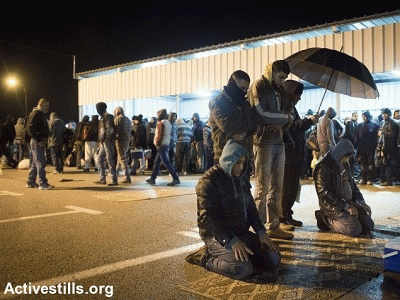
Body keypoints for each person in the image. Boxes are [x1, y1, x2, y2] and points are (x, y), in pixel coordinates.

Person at [186, 140, 281, 280]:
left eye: (243, 163)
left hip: (240, 233)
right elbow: (207, 218)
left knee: (273, 259)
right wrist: (230, 240)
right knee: (242, 269)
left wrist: (261, 232)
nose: (241, 167)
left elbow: (250, 208)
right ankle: (205, 257)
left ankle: (237, 254)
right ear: (228, 160)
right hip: (217, 236)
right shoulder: (209, 181)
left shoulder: (241, 178)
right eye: (237, 163)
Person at [247, 60, 294, 240]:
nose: (282, 81)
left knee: (277, 187)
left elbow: (287, 115)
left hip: (278, 142)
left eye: (285, 78)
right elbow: (261, 114)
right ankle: (260, 231)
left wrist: (283, 120)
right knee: (262, 189)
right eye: (280, 77)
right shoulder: (258, 85)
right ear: (272, 72)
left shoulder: (279, 90)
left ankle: (274, 226)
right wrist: (284, 119)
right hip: (263, 143)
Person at [314, 139, 374, 237]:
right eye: (347, 157)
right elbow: (324, 192)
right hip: (335, 207)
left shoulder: (344, 164)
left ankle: (350, 217)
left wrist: (362, 202)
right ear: (341, 154)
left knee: (369, 226)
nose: (348, 159)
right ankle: (325, 219)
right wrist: (345, 206)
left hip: (349, 203)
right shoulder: (323, 168)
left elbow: (353, 186)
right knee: (355, 230)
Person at [280, 80, 319, 227]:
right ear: (291, 93)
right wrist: (308, 122)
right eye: (298, 94)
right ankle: (282, 216)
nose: (300, 98)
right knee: (287, 188)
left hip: (295, 155)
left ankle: (287, 213)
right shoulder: (284, 109)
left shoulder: (291, 108)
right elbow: (290, 128)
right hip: (288, 156)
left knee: (293, 187)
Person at [209, 70, 255, 165]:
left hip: (244, 155)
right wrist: (249, 127)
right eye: (242, 88)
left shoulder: (245, 104)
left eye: (246, 89)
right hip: (225, 156)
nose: (244, 92)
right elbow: (226, 125)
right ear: (232, 84)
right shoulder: (218, 102)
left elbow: (256, 123)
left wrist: (245, 132)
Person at [146, 109, 180, 186]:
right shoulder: (168, 122)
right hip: (166, 144)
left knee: (166, 162)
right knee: (157, 162)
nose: (157, 115)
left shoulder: (161, 123)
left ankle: (175, 178)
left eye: (158, 114)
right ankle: (152, 178)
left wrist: (157, 143)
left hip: (161, 145)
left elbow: (159, 134)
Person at [26, 98, 53, 190]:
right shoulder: (36, 114)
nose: (48, 107)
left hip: (38, 141)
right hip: (37, 141)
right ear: (41, 104)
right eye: (46, 105)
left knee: (35, 162)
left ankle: (30, 182)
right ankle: (42, 183)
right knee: (40, 162)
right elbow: (30, 129)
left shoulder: (40, 114)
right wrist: (38, 139)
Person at [95, 102, 117, 186]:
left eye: (98, 108)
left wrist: (106, 140)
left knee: (110, 160)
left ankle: (113, 179)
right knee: (99, 159)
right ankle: (102, 178)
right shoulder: (102, 117)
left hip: (108, 142)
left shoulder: (108, 116)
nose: (97, 110)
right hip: (103, 142)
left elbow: (110, 129)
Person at [354, 111, 379, 185]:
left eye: (365, 116)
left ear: (368, 116)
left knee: (370, 164)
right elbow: (356, 137)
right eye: (363, 116)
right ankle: (363, 178)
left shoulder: (375, 125)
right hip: (361, 148)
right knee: (363, 164)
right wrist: (356, 146)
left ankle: (370, 179)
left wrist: (376, 146)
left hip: (371, 148)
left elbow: (377, 137)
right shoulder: (359, 125)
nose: (364, 118)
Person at [377, 108, 399, 186]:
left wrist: (382, 133)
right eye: (383, 113)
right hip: (382, 146)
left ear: (389, 114)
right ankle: (383, 179)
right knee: (382, 162)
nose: (383, 115)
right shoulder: (382, 122)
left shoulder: (393, 123)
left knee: (388, 163)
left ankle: (389, 180)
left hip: (390, 146)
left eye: (385, 113)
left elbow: (392, 135)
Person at [114, 106, 132, 184]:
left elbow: (114, 131)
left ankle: (127, 176)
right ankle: (116, 172)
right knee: (120, 157)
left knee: (122, 158)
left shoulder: (117, 119)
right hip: (127, 141)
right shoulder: (128, 119)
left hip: (119, 141)